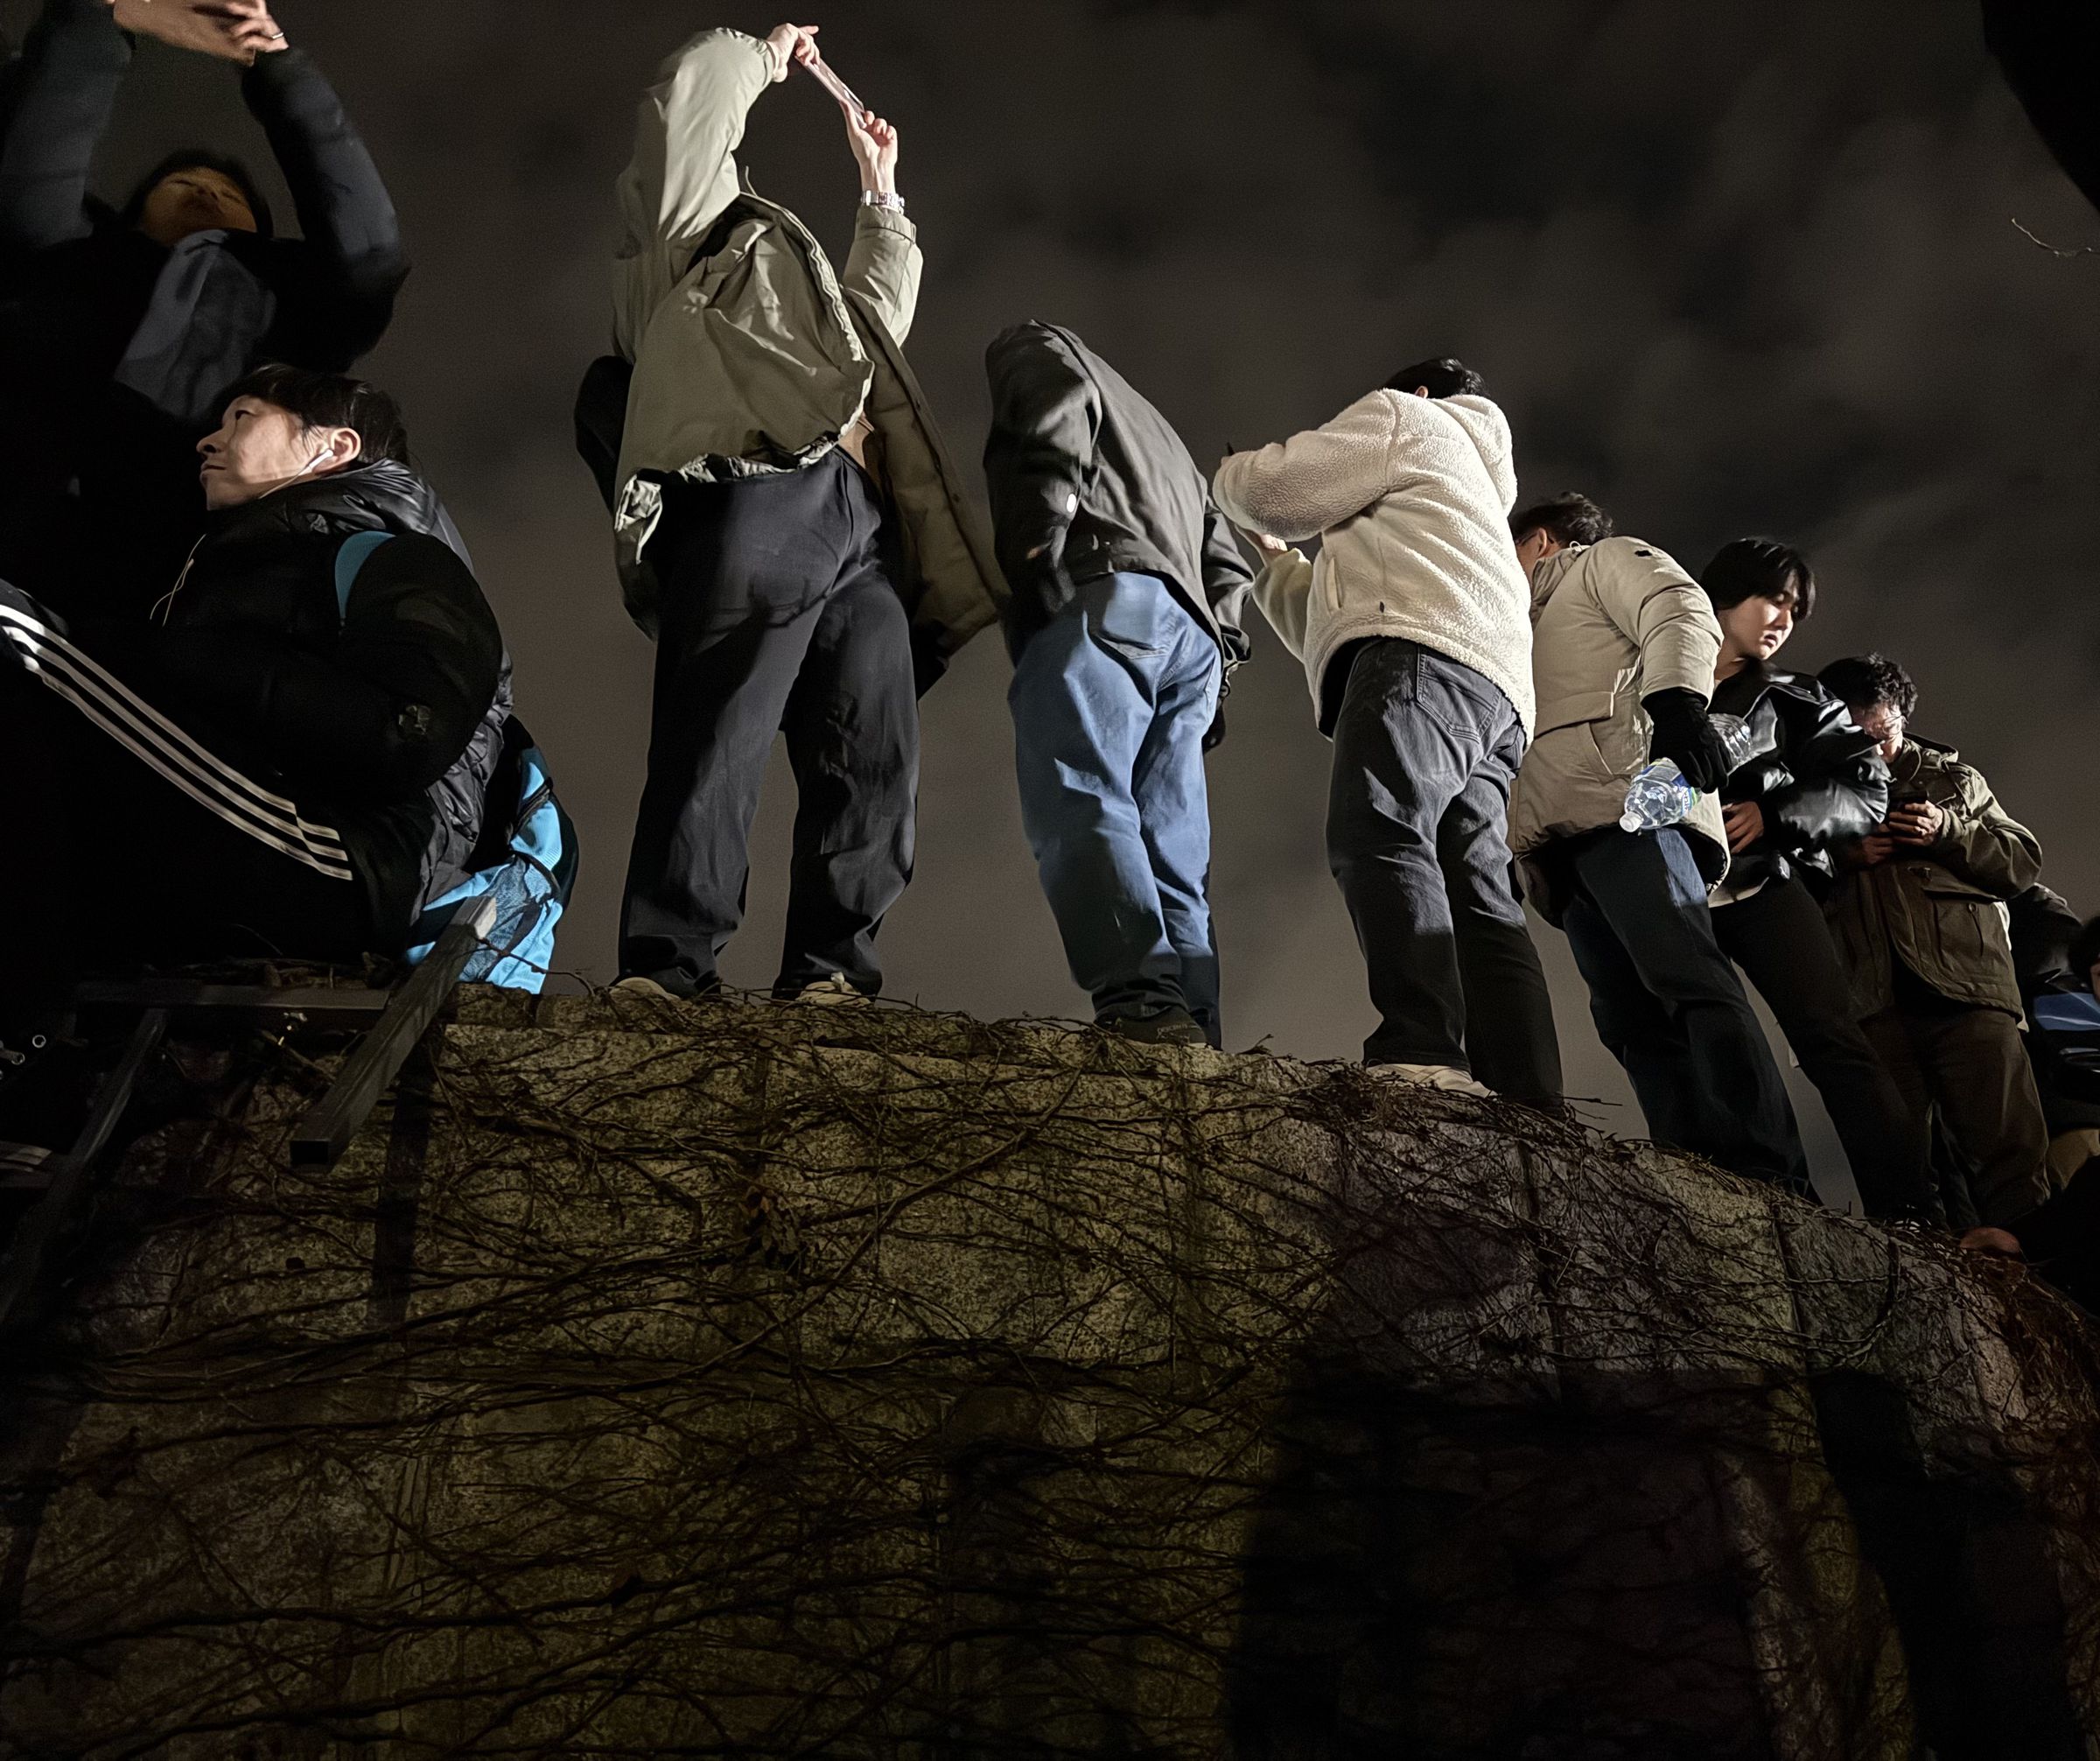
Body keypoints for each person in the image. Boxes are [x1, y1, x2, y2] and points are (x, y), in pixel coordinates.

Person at [592, 21, 1001, 1005]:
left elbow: (872, 328)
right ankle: (668, 964)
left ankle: (831, 973)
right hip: (755, 478)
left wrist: (880, 191)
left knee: (872, 747)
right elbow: (689, 98)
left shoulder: (808, 307)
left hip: (862, 518)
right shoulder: (694, 237)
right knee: (721, 718)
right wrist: (767, 55)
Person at [0, 368, 507, 1047]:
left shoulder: (395, 558)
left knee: (15, 634)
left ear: (334, 447)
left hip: (349, 858)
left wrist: (177, 664)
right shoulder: (222, 577)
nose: (208, 441)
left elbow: (406, 733)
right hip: (250, 822)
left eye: (241, 418)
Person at [1210, 358, 1560, 1100]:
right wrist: (1278, 565)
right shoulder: (1476, 502)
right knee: (1479, 890)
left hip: (1417, 662)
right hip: (1490, 697)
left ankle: (1424, 1050)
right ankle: (1529, 1095)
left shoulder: (1409, 417)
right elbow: (1346, 612)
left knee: (1380, 830)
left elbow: (1273, 492)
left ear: (1421, 391)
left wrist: (1227, 480)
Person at [0, 0, 407, 610]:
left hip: (198, 579)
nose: (205, 190)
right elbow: (33, 170)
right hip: (25, 533)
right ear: (137, 210)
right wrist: (100, 15)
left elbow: (370, 255)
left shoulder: (295, 305)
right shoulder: (72, 257)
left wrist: (273, 66)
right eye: (182, 183)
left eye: (225, 193)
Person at [1507, 495, 1809, 1193]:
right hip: (1558, 842)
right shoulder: (1513, 622)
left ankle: (1770, 1169)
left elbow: (1680, 610)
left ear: (1540, 542)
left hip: (1632, 809)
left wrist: (1677, 708)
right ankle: (1691, 1170)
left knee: (1686, 979)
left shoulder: (1603, 562)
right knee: (1627, 1018)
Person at [983, 320, 1260, 1047]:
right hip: (1191, 638)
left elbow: (1048, 432)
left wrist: (1037, 554)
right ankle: (1194, 1023)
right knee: (1174, 846)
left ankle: (1140, 1000)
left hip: (1105, 591)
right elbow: (1227, 559)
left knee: (1080, 790)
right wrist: (1222, 660)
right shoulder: (1165, 437)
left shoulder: (1039, 347)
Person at [1696, 539, 1929, 1217]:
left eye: (1795, 611)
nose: (1783, 620)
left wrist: (1773, 814)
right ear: (1726, 592)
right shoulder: (1652, 682)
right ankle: (1766, 1199)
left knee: (1833, 1042)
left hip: (1763, 885)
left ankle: (1911, 1219)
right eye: (1774, 598)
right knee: (1705, 1044)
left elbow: (1865, 786)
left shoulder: (1797, 696)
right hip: (1672, 891)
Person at [1816, 654, 2051, 1227]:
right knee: (1896, 1175)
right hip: (1871, 1003)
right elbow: (1765, 885)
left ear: (1900, 720)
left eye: (1882, 739)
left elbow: (2021, 864)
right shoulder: (1809, 791)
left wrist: (1948, 831)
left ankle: (2049, 1292)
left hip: (1969, 993)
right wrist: (1837, 857)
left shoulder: (1954, 779)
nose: (1870, 755)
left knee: (2011, 1157)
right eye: (1853, 741)